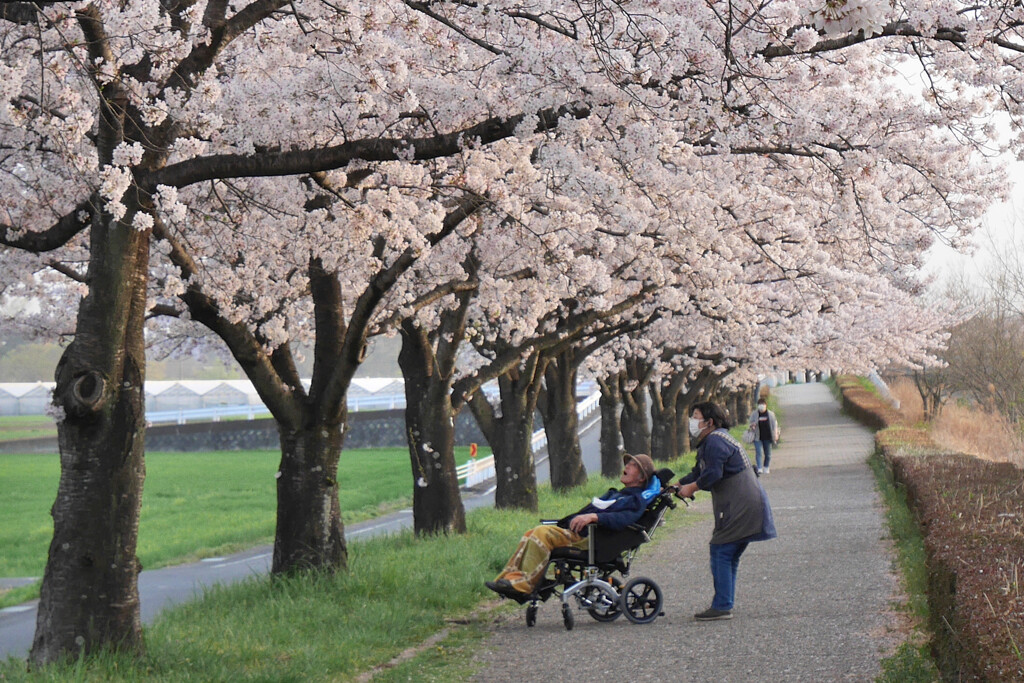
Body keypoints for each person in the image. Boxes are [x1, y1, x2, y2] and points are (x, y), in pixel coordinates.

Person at [486, 453, 660, 601]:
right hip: (579, 533)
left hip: (591, 539)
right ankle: (510, 580)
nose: (627, 466)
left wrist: (594, 516)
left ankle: (525, 586)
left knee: (541, 533)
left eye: (633, 465)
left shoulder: (636, 499)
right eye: (628, 463)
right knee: (530, 533)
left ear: (641, 477)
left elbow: (623, 519)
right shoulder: (618, 494)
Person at [675, 401, 776, 621]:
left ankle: (722, 605)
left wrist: (691, 488)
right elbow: (699, 472)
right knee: (728, 553)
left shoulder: (715, 442)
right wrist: (677, 484)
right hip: (746, 503)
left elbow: (712, 474)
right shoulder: (716, 440)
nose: (692, 422)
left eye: (695, 416)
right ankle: (724, 602)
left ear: (709, 422)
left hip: (741, 505)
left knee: (721, 550)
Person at [747, 397, 780, 474]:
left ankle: (766, 467)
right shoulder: (754, 414)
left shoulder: (771, 414)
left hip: (768, 437)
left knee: (768, 454)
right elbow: (750, 423)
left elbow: (774, 425)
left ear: (766, 405)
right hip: (757, 436)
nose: (761, 406)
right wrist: (752, 425)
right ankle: (759, 468)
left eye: (763, 404)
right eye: (760, 404)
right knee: (759, 452)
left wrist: (775, 434)